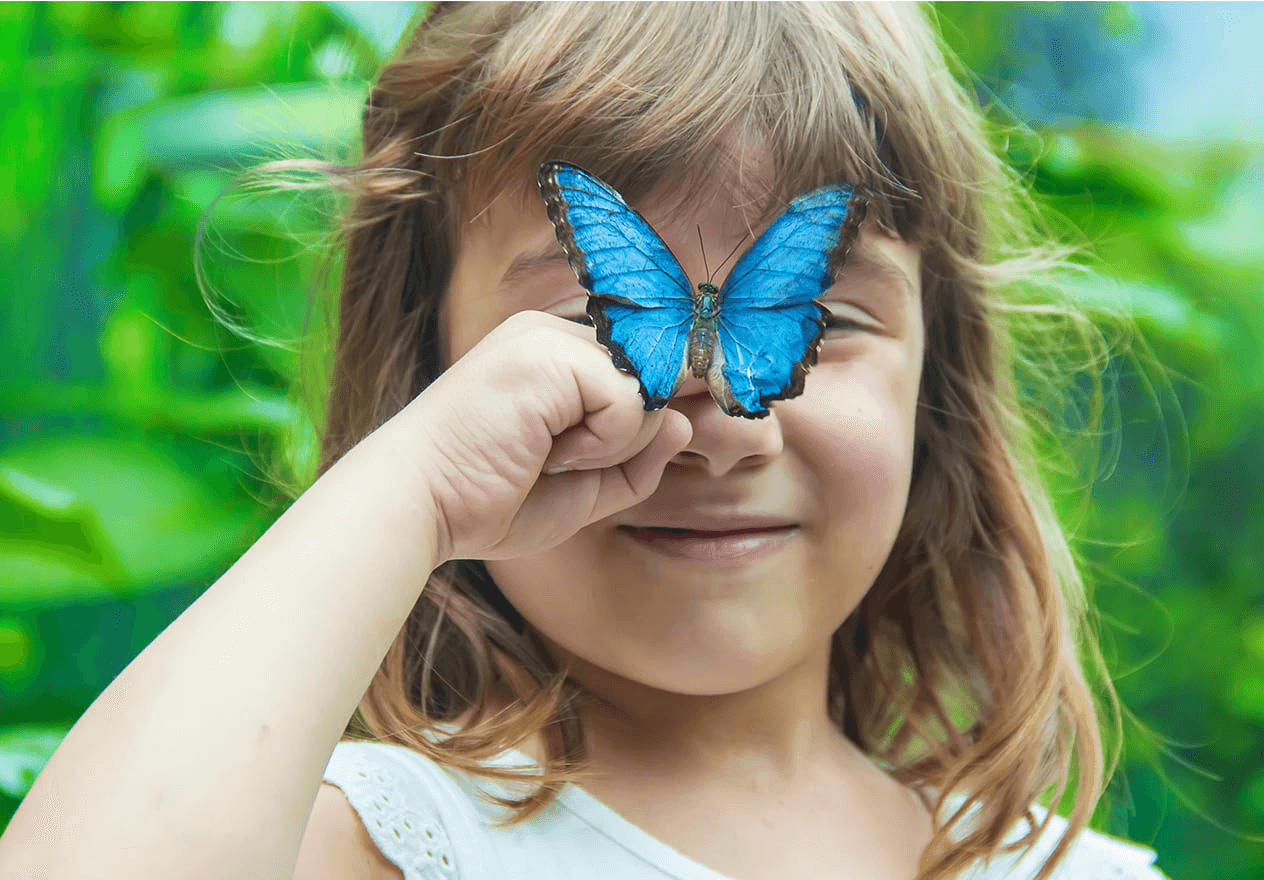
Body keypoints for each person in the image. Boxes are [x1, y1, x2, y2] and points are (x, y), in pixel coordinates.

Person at [0, 4, 1169, 880]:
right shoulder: (392, 840)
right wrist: (410, 488)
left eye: (820, 322)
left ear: (935, 391)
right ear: (428, 376)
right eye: (597, 320)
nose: (714, 424)